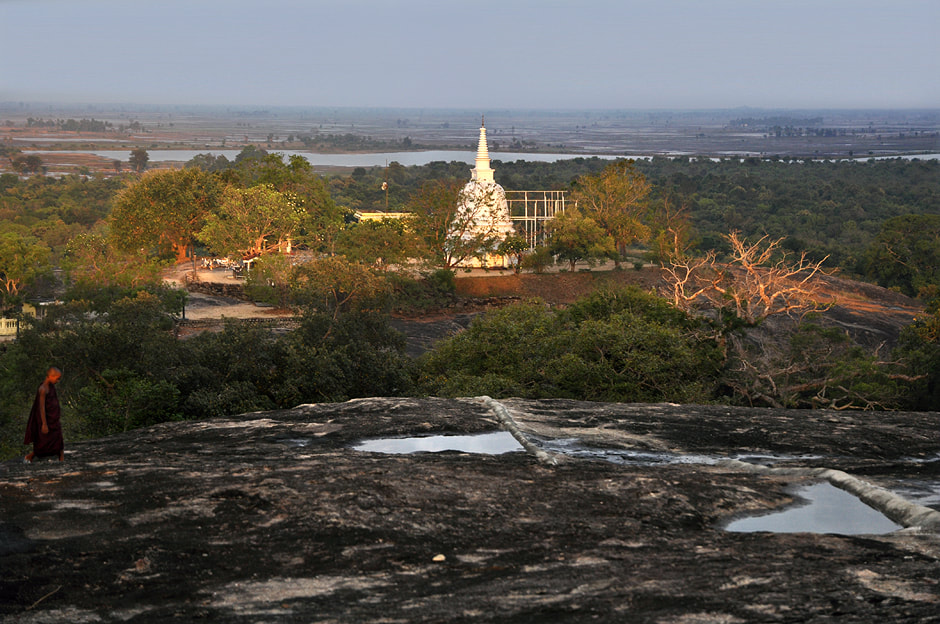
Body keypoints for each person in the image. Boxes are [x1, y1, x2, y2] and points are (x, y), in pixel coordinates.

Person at [24, 367, 64, 463]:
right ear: (50, 376)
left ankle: (61, 457)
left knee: (58, 438)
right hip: (46, 419)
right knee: (43, 442)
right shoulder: (43, 389)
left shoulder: (51, 386)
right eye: (57, 378)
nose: (58, 381)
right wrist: (44, 424)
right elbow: (41, 407)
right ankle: (31, 456)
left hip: (53, 419)